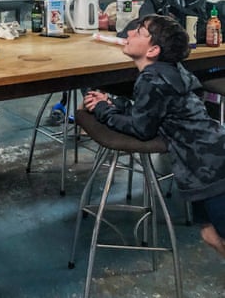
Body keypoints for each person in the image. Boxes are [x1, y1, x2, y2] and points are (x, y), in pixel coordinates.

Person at [84, 14, 225, 259]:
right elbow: (150, 112)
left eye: (138, 32)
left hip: (210, 170)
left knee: (215, 234)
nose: (128, 34)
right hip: (209, 161)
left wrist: (103, 110)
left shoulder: (151, 78)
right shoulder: (169, 72)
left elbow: (142, 129)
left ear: (153, 50)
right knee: (210, 235)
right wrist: (112, 103)